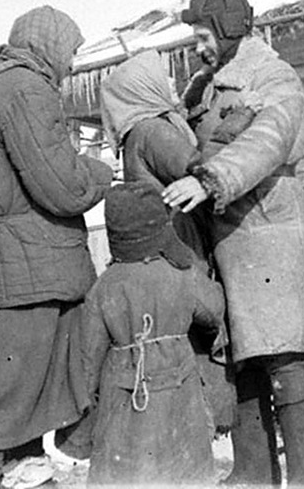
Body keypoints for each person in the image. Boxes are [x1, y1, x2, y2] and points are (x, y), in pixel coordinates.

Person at [163, 0, 304, 486]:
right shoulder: (205, 86)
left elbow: (269, 138)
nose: (198, 47)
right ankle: (253, 474)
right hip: (227, 237)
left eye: (202, 36)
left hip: (268, 232)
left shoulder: (272, 77)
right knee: (244, 359)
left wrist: (211, 179)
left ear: (228, 28)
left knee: (286, 354)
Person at [0, 5, 113, 487]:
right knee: (9, 391)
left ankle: (21, 471)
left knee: (12, 384)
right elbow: (62, 188)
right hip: (28, 265)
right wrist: (99, 169)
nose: (70, 64)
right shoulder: (29, 90)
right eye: (70, 51)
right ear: (48, 45)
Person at [99, 49, 236, 432]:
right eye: (165, 78)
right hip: (183, 243)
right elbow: (200, 169)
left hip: (162, 247)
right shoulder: (154, 130)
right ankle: (217, 420)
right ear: (146, 87)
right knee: (207, 327)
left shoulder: (133, 135)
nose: (173, 85)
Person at [83, 182, 226, 484]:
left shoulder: (104, 286)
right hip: (179, 389)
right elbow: (214, 312)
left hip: (122, 396)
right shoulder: (181, 273)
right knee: (184, 469)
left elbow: (89, 358)